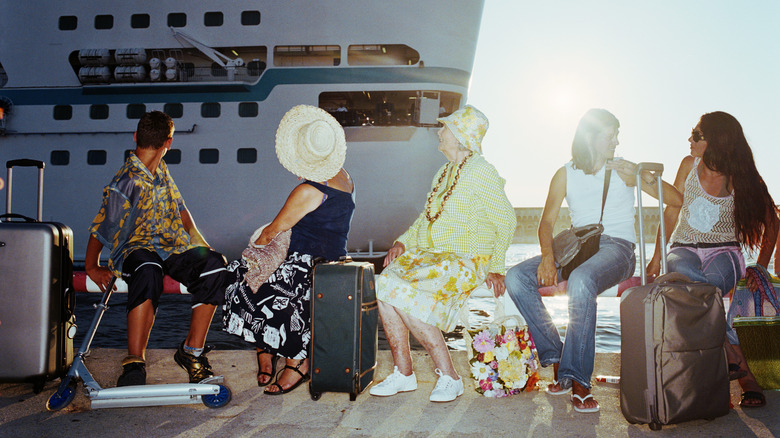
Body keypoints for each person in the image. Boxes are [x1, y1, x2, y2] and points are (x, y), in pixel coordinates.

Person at [504, 108, 682, 413]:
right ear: (590, 137)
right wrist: (547, 257)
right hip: (578, 247)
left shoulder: (625, 171)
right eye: (609, 134)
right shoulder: (565, 173)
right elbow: (546, 222)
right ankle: (558, 358)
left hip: (618, 249)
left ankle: (579, 380)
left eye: (617, 134)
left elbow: (675, 200)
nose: (616, 140)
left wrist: (642, 175)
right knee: (516, 277)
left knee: (582, 280)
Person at [369, 105, 517, 403]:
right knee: (384, 284)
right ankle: (404, 373)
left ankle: (449, 376)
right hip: (433, 256)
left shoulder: (482, 172)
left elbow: (507, 221)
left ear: (461, 136)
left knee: (402, 293)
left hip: (466, 260)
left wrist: (497, 266)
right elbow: (425, 219)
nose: (439, 131)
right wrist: (401, 242)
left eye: (445, 128)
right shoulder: (443, 171)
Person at [85, 111, 229, 387]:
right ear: (169, 143)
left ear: (136, 137)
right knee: (147, 269)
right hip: (135, 249)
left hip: (171, 246)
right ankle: (134, 363)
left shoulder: (161, 169)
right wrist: (92, 266)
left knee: (215, 265)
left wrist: (199, 242)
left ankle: (191, 352)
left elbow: (180, 208)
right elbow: (103, 226)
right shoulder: (126, 181)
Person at [646, 111, 778, 409]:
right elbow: (671, 212)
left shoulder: (743, 178)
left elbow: (772, 223)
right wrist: (656, 257)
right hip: (683, 248)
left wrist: (759, 266)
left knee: (701, 288)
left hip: (725, 253)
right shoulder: (687, 166)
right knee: (691, 279)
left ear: (716, 140)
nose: (689, 140)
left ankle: (725, 366)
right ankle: (740, 369)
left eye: (696, 135)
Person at [222, 105, 354, 395]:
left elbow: (273, 231)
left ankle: (294, 363)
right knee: (266, 284)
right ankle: (269, 351)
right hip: (333, 261)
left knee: (239, 279)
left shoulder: (306, 191)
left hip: (306, 264)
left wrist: (254, 249)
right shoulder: (344, 177)